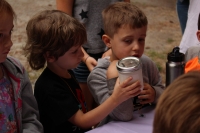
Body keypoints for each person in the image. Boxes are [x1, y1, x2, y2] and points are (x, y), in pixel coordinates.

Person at [24, 10, 141, 133]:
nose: (81, 54)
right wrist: (116, 98)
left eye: (81, 47)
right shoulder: (49, 88)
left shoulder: (67, 71)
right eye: (74, 51)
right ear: (50, 56)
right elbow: (83, 121)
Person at [87, 2, 165, 125]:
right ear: (108, 41)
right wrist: (114, 78)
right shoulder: (99, 76)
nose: (136, 47)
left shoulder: (146, 63)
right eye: (128, 41)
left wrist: (155, 93)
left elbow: (164, 93)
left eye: (141, 39)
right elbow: (123, 115)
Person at [56, 0, 130, 111]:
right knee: (86, 109)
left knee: (109, 109)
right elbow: (63, 22)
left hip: (114, 51)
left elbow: (127, 14)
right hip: (81, 53)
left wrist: (113, 48)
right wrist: (84, 57)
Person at [0, 0, 43, 132]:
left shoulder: (16, 71)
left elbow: (30, 119)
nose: (10, 43)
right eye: (0, 35)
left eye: (10, 32)